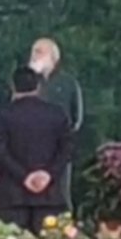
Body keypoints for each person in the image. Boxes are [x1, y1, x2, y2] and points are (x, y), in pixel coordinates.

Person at [0, 66, 73, 236]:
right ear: (39, 86)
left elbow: (0, 152)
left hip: (13, 198)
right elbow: (67, 149)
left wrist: (24, 176)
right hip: (49, 197)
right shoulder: (56, 114)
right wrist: (49, 174)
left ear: (12, 87)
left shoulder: (3, 115)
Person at [29, 38, 83, 209]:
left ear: (53, 57)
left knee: (61, 191)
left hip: (59, 148)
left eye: (39, 52)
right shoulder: (28, 83)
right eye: (33, 52)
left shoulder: (68, 83)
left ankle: (64, 222)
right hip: (30, 147)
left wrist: (65, 139)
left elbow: (77, 116)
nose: (34, 56)